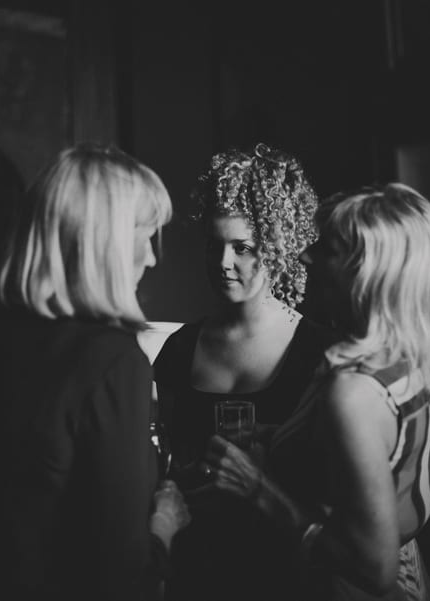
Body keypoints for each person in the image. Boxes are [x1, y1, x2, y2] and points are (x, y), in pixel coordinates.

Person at [204, 183, 430, 600]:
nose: (304, 256)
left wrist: (257, 487)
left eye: (326, 248)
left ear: (365, 271)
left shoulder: (353, 390)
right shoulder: (408, 355)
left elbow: (374, 568)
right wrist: (285, 436)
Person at [0, 144, 189, 601]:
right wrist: (165, 523)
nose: (151, 258)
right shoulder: (112, 362)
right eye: (146, 235)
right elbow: (121, 576)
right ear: (103, 240)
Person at [153, 143, 333, 601]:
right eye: (215, 246)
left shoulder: (320, 352)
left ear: (276, 248)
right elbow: (158, 462)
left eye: (242, 248)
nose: (223, 263)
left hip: (288, 575)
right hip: (196, 571)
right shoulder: (178, 349)